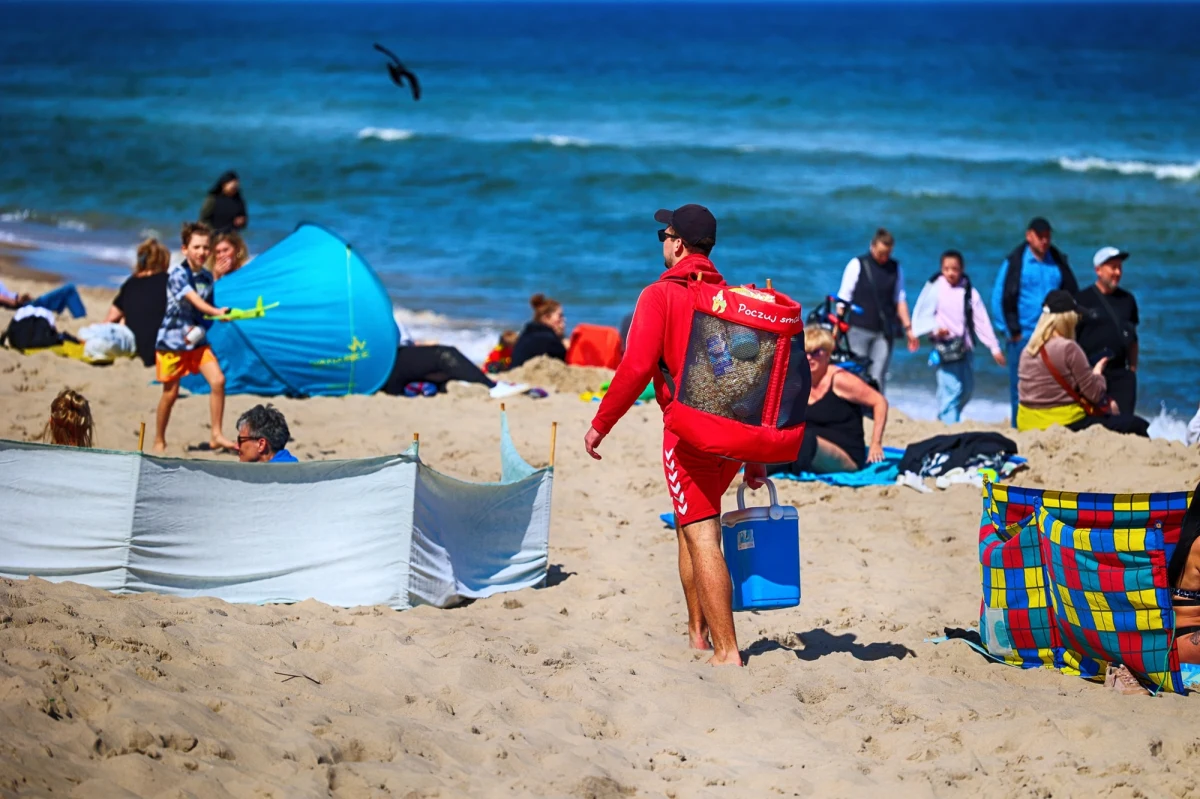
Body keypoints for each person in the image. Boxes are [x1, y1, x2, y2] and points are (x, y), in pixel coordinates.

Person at [583, 203, 767, 667]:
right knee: (689, 524)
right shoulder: (732, 299)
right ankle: (697, 632)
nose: (662, 243)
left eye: (664, 235)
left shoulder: (658, 296)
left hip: (689, 437)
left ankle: (727, 651)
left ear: (678, 243)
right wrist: (755, 456)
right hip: (731, 435)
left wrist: (600, 424)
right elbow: (749, 379)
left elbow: (634, 370)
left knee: (703, 533)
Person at [152, 222, 234, 454]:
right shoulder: (177, 275)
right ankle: (159, 439)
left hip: (197, 342)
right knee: (171, 393)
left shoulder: (207, 278)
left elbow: (206, 309)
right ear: (185, 249)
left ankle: (216, 435)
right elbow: (194, 300)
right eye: (196, 247)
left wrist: (220, 315)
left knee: (218, 381)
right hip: (172, 343)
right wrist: (215, 312)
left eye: (206, 248)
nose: (202, 252)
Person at [991, 217, 1079, 427]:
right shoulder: (1015, 262)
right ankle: (1019, 426)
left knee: (1053, 384)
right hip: (1024, 336)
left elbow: (1072, 294)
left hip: (1054, 336)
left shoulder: (1057, 261)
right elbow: (998, 297)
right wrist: (1009, 331)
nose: (1044, 241)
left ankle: (1048, 425)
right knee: (1021, 387)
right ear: (1029, 236)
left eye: (1047, 236)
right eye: (1040, 236)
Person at [770, 326, 888, 475]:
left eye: (816, 352)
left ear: (828, 354)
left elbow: (879, 402)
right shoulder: (798, 382)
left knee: (802, 438)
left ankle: (755, 475)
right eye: (805, 352)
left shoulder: (840, 379)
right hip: (811, 451)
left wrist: (876, 444)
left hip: (845, 454)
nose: (810, 357)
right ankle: (750, 470)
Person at [910, 250, 1006, 423]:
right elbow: (922, 315)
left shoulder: (968, 291)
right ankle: (948, 423)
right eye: (946, 269)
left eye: (954, 269)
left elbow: (981, 320)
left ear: (962, 269)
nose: (950, 273)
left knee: (967, 389)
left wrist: (994, 347)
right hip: (945, 349)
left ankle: (944, 416)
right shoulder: (936, 288)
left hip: (965, 348)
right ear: (941, 269)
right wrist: (934, 330)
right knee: (951, 389)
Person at [1015, 290, 1114, 431]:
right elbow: (1095, 394)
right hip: (1063, 422)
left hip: (1027, 423)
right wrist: (1098, 374)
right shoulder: (1068, 348)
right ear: (1068, 319)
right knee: (1135, 424)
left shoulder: (1027, 350)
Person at [836, 228, 919, 392]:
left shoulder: (895, 268)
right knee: (857, 372)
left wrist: (909, 329)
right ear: (872, 246)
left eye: (887, 253)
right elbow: (844, 298)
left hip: (884, 332)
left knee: (878, 374)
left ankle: (874, 411)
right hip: (858, 328)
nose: (884, 257)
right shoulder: (857, 264)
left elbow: (900, 300)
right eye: (881, 253)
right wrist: (837, 326)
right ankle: (856, 412)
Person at [1074, 247, 1139, 416]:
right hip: (1091, 373)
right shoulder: (1082, 299)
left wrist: (1131, 370)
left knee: (1125, 421)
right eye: (1113, 267)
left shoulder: (1128, 300)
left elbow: (1133, 339)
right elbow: (1071, 339)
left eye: (1120, 267)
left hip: (1121, 373)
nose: (1117, 272)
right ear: (1098, 270)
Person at [104, 238, 170, 367]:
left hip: (136, 350)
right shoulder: (170, 282)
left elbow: (110, 319)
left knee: (124, 316)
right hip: (161, 352)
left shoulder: (130, 284)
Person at [510, 293, 567, 369]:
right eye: (560, 316)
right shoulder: (548, 340)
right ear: (546, 318)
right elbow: (564, 359)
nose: (563, 320)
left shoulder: (527, 334)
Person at [0, 279, 87, 319]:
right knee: (69, 289)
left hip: (26, 303)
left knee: (65, 292)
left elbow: (10, 296)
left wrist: (22, 297)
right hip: (26, 306)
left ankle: (60, 311)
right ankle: (80, 317)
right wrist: (19, 301)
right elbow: (12, 303)